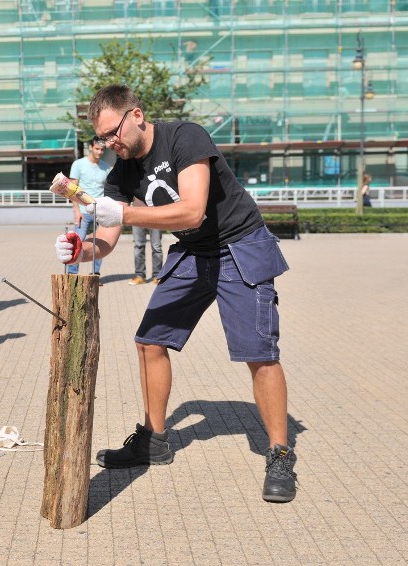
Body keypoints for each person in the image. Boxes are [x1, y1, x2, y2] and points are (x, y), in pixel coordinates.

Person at [54, 85, 297, 503]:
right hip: (193, 252)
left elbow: (192, 210)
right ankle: (155, 439)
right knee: (149, 342)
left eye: (113, 132)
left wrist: (125, 212)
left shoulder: (186, 137)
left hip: (238, 245)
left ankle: (279, 453)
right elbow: (108, 240)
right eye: (102, 138)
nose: (110, 143)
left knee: (258, 352)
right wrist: (81, 249)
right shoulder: (122, 171)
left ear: (136, 115)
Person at [66, 135, 110, 278]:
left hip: (100, 212)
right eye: (97, 149)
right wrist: (76, 211)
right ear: (90, 147)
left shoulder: (105, 167)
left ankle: (95, 274)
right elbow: (72, 189)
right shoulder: (78, 164)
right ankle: (72, 275)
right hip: (84, 212)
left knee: (100, 243)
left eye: (102, 149)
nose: (99, 152)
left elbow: (108, 189)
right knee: (77, 242)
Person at [129, 199, 163, 285]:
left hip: (155, 212)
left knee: (156, 247)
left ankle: (157, 275)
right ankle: (140, 276)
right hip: (137, 212)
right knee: (138, 246)